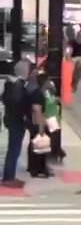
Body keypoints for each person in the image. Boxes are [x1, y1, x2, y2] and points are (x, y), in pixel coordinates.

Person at [2, 60, 41, 188]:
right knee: (14, 149)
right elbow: (19, 104)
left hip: (12, 120)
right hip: (17, 121)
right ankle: (9, 178)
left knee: (14, 148)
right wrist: (25, 116)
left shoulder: (11, 83)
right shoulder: (18, 85)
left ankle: (10, 176)